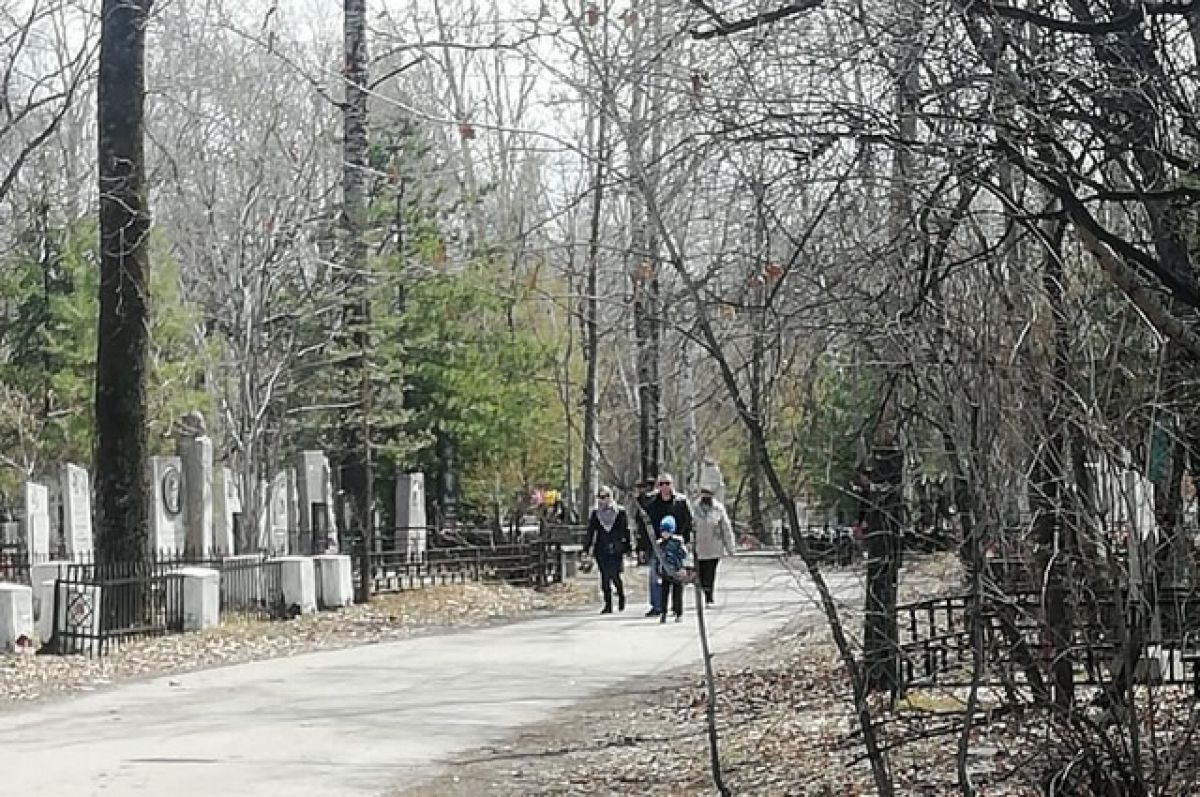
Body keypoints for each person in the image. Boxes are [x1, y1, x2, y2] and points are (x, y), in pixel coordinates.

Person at [635, 472, 693, 617]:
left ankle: (676, 607)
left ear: (672, 485)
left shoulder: (681, 502)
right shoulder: (651, 503)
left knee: (677, 577)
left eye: (667, 483)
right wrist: (641, 547)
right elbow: (643, 527)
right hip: (657, 545)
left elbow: (689, 523)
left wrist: (687, 541)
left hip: (676, 545)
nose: (665, 487)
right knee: (656, 575)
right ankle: (657, 606)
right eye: (661, 484)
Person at [584, 486, 631, 614]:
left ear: (611, 497)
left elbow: (626, 530)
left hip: (616, 548)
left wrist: (628, 547)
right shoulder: (596, 513)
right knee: (604, 576)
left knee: (615, 575)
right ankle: (608, 604)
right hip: (601, 548)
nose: (604, 499)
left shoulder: (620, 512)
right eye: (601, 497)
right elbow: (591, 531)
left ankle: (621, 595)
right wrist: (586, 548)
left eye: (606, 496)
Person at [692, 485, 735, 605]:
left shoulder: (718, 508)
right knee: (701, 572)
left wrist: (730, 547)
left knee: (711, 571)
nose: (706, 497)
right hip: (699, 546)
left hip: (714, 546)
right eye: (704, 494)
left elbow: (726, 528)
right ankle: (704, 590)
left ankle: (709, 595)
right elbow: (689, 525)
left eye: (708, 494)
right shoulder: (694, 508)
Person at [657, 515, 688, 623]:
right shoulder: (659, 544)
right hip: (665, 572)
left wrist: (683, 568)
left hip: (677, 571)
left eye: (667, 531)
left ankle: (678, 612)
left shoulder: (677, 541)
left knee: (677, 594)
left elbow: (684, 555)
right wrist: (658, 572)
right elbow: (657, 559)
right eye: (663, 531)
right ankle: (663, 612)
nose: (664, 534)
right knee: (664, 594)